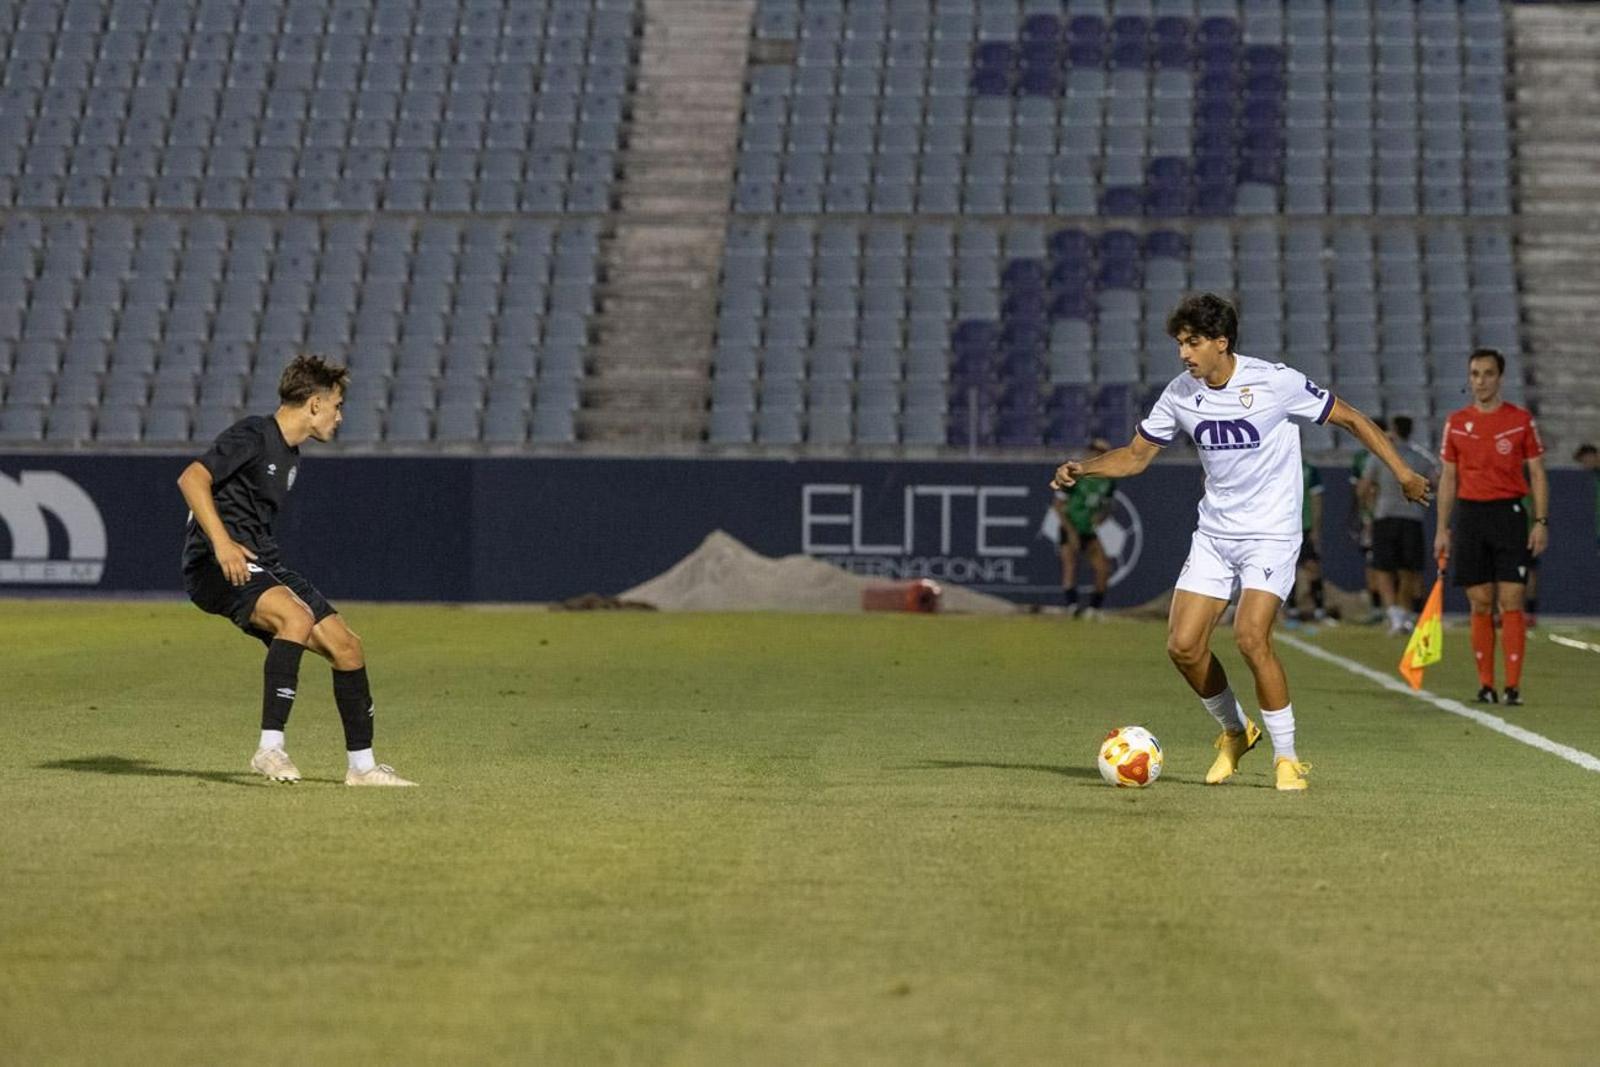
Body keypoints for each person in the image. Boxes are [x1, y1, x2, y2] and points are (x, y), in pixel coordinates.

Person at [1052, 294, 1430, 792]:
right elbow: (1137, 456)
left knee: (1251, 637)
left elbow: (1353, 419)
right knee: (1184, 647)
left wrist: (1402, 472)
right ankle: (1235, 731)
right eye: (1181, 344)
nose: (1184, 353)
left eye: (1193, 343)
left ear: (1221, 343)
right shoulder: (1180, 393)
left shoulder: (1275, 382)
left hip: (1271, 533)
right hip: (1215, 533)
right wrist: (1085, 468)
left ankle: (1288, 759)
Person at [177, 354, 417, 786]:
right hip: (214, 564)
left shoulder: (291, 454)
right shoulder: (252, 434)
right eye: (338, 406)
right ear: (314, 404)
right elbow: (192, 479)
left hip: (262, 563)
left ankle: (361, 768)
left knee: (347, 647)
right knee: (296, 616)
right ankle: (270, 749)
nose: (340, 417)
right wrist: (222, 542)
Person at [1433, 348, 1547, 707]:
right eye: (1475, 374)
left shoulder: (1520, 420)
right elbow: (1448, 478)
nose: (1480, 380)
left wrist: (1540, 521)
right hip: (1469, 516)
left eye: (1487, 373)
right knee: (1480, 601)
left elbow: (1538, 474)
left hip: (1509, 514)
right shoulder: (1456, 421)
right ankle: (1486, 685)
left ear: (1500, 377)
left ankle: (1513, 686)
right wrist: (1442, 527)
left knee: (1512, 598)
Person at [1359, 415, 1441, 635]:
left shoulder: (1380, 456)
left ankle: (1393, 613)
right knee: (1409, 569)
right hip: (1411, 518)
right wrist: (1424, 496)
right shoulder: (1420, 457)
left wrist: (1370, 508)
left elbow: (1363, 488)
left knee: (1383, 568)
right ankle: (1404, 614)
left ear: (1393, 430)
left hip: (1384, 517)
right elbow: (1437, 481)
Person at [1053, 437, 1116, 618]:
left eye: (1100, 452)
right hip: (1071, 526)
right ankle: (1072, 606)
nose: (1095, 454)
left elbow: (1107, 505)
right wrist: (1071, 531)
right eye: (1093, 451)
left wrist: (1101, 516)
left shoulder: (1108, 480)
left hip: (1088, 529)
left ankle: (1094, 608)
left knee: (1103, 568)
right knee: (1070, 564)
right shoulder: (1074, 474)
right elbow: (1058, 505)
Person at [1288, 459, 1328, 625]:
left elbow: (1316, 499)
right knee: (1288, 571)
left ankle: (1319, 610)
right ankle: (1292, 610)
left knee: (1312, 567)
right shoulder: (1275, 466)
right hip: (1283, 527)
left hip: (1305, 526)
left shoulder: (1309, 470)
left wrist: (1316, 528)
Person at [1577, 443, 1600, 556]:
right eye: (1583, 460)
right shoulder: (1583, 479)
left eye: (1588, 458)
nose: (1585, 462)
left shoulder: (1595, 477)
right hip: (1590, 527)